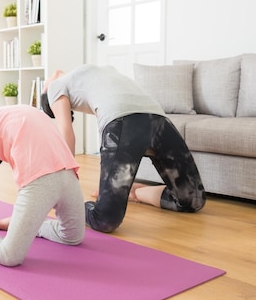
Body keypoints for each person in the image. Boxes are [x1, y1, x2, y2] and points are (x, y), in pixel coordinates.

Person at [41, 64, 206, 233]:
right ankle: (117, 195)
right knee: (105, 219)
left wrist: (65, 181)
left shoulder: (62, 82)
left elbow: (66, 132)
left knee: (193, 199)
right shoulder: (70, 80)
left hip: (153, 118)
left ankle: (128, 191)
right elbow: (70, 129)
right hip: (149, 121)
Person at [0, 104, 85, 266]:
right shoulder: (5, 113)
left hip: (67, 170)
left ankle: (18, 223)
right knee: (10, 256)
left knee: (72, 237)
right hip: (52, 176)